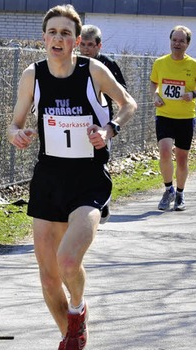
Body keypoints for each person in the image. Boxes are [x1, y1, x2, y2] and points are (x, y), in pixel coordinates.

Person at [6, 4, 137, 350]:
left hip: (88, 180)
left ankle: (78, 311)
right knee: (49, 280)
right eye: (53, 33)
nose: (59, 39)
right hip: (48, 179)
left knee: (67, 261)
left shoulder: (93, 71)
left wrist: (109, 129)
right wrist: (17, 134)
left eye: (66, 33)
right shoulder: (32, 75)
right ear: (44, 38)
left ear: (77, 41)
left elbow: (129, 104)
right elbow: (13, 123)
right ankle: (70, 340)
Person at [150, 25, 196, 211]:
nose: (177, 44)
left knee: (182, 159)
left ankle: (180, 193)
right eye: (174, 40)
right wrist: (155, 95)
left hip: (185, 117)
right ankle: (168, 189)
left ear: (187, 44)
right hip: (165, 115)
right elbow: (153, 83)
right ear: (170, 41)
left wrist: (193, 94)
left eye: (181, 41)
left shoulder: (194, 65)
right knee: (165, 151)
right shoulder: (160, 63)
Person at [79, 24, 128, 224]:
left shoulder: (108, 65)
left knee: (99, 164)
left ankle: (102, 201)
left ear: (99, 46)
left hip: (101, 125)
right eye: (82, 44)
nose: (85, 49)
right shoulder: (72, 64)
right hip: (77, 122)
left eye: (90, 45)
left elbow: (123, 94)